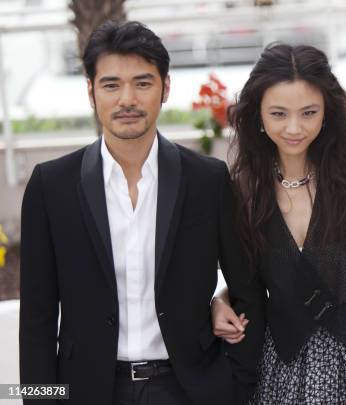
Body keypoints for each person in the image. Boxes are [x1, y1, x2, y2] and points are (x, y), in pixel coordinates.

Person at [19, 21, 265, 405]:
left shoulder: (207, 180)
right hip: (87, 392)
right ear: (91, 92)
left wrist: (237, 382)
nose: (127, 99)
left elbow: (248, 288)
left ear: (166, 88)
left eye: (143, 83)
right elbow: (36, 317)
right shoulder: (50, 186)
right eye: (111, 84)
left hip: (188, 389)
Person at [210, 43, 346, 404]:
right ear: (258, 116)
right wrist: (219, 300)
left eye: (309, 112)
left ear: (327, 112)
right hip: (280, 366)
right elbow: (247, 278)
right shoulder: (245, 190)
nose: (294, 128)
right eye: (279, 114)